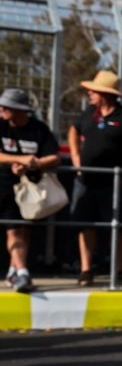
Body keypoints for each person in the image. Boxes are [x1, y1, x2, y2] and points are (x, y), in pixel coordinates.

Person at [68, 70, 122, 286]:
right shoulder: (88, 113)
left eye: (94, 90)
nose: (89, 93)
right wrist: (75, 160)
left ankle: (117, 269)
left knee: (116, 225)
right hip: (85, 181)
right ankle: (86, 269)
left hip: (113, 181)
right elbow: (73, 130)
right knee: (85, 223)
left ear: (105, 93)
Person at [0, 88, 60, 293]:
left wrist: (33, 164)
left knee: (24, 231)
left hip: (31, 191)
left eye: (6, 107)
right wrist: (18, 160)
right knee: (13, 229)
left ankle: (13, 271)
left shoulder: (39, 129)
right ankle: (24, 272)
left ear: (18, 110)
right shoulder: (1, 124)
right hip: (5, 187)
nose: (1, 110)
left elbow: (54, 157)